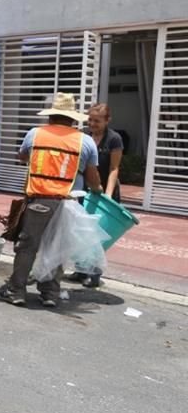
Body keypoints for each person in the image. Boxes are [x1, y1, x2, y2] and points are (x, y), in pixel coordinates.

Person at [0, 93, 103, 308]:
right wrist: (99, 189)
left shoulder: (35, 134)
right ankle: (50, 294)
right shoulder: (86, 141)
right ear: (73, 119)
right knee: (57, 247)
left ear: (51, 116)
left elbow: (23, 157)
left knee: (28, 246)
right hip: (70, 203)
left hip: (39, 199)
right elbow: (93, 179)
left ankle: (16, 290)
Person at [66, 103, 123, 288]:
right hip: (85, 189)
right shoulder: (84, 135)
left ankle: (95, 273)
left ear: (107, 121)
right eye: (90, 119)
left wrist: (106, 194)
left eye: (97, 121)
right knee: (82, 230)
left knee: (98, 233)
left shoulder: (114, 139)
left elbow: (114, 168)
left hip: (105, 189)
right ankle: (81, 269)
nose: (92, 124)